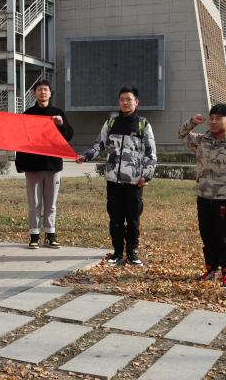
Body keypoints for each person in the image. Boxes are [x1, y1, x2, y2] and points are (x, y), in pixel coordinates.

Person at [76, 86, 156, 267]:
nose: (125, 103)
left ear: (136, 102)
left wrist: (146, 176)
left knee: (133, 219)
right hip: (113, 180)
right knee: (115, 218)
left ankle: (132, 253)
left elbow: (151, 154)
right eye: (122, 99)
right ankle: (118, 252)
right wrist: (86, 155)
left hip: (134, 182)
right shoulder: (111, 123)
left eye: (129, 99)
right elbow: (99, 145)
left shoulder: (143, 124)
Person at [178, 103, 226, 288]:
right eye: (211, 118)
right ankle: (211, 269)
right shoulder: (203, 140)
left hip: (225, 199)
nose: (214, 122)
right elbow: (182, 136)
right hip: (204, 197)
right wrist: (192, 122)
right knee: (207, 236)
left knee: (224, 238)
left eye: (218, 118)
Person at [15, 79, 74, 249]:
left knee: (51, 204)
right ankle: (34, 235)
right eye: (40, 90)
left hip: (53, 165)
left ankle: (50, 235)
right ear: (35, 93)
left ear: (50, 93)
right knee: (34, 204)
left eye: (46, 90)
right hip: (32, 166)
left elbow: (68, 136)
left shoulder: (57, 113)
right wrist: (20, 164)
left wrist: (61, 124)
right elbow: (21, 140)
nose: (43, 92)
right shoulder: (28, 114)